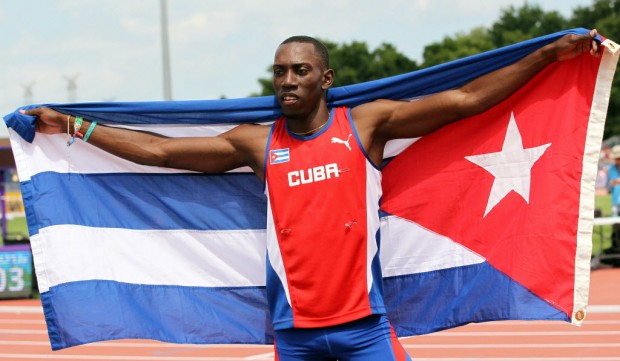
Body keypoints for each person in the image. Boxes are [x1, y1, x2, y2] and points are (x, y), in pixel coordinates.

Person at [21, 30, 600, 360]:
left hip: (364, 329)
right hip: (294, 337)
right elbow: (161, 154)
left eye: (299, 70)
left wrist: (548, 56)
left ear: (324, 79)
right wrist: (75, 125)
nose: (287, 80)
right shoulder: (256, 143)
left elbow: (468, 100)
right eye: (279, 72)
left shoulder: (365, 125)